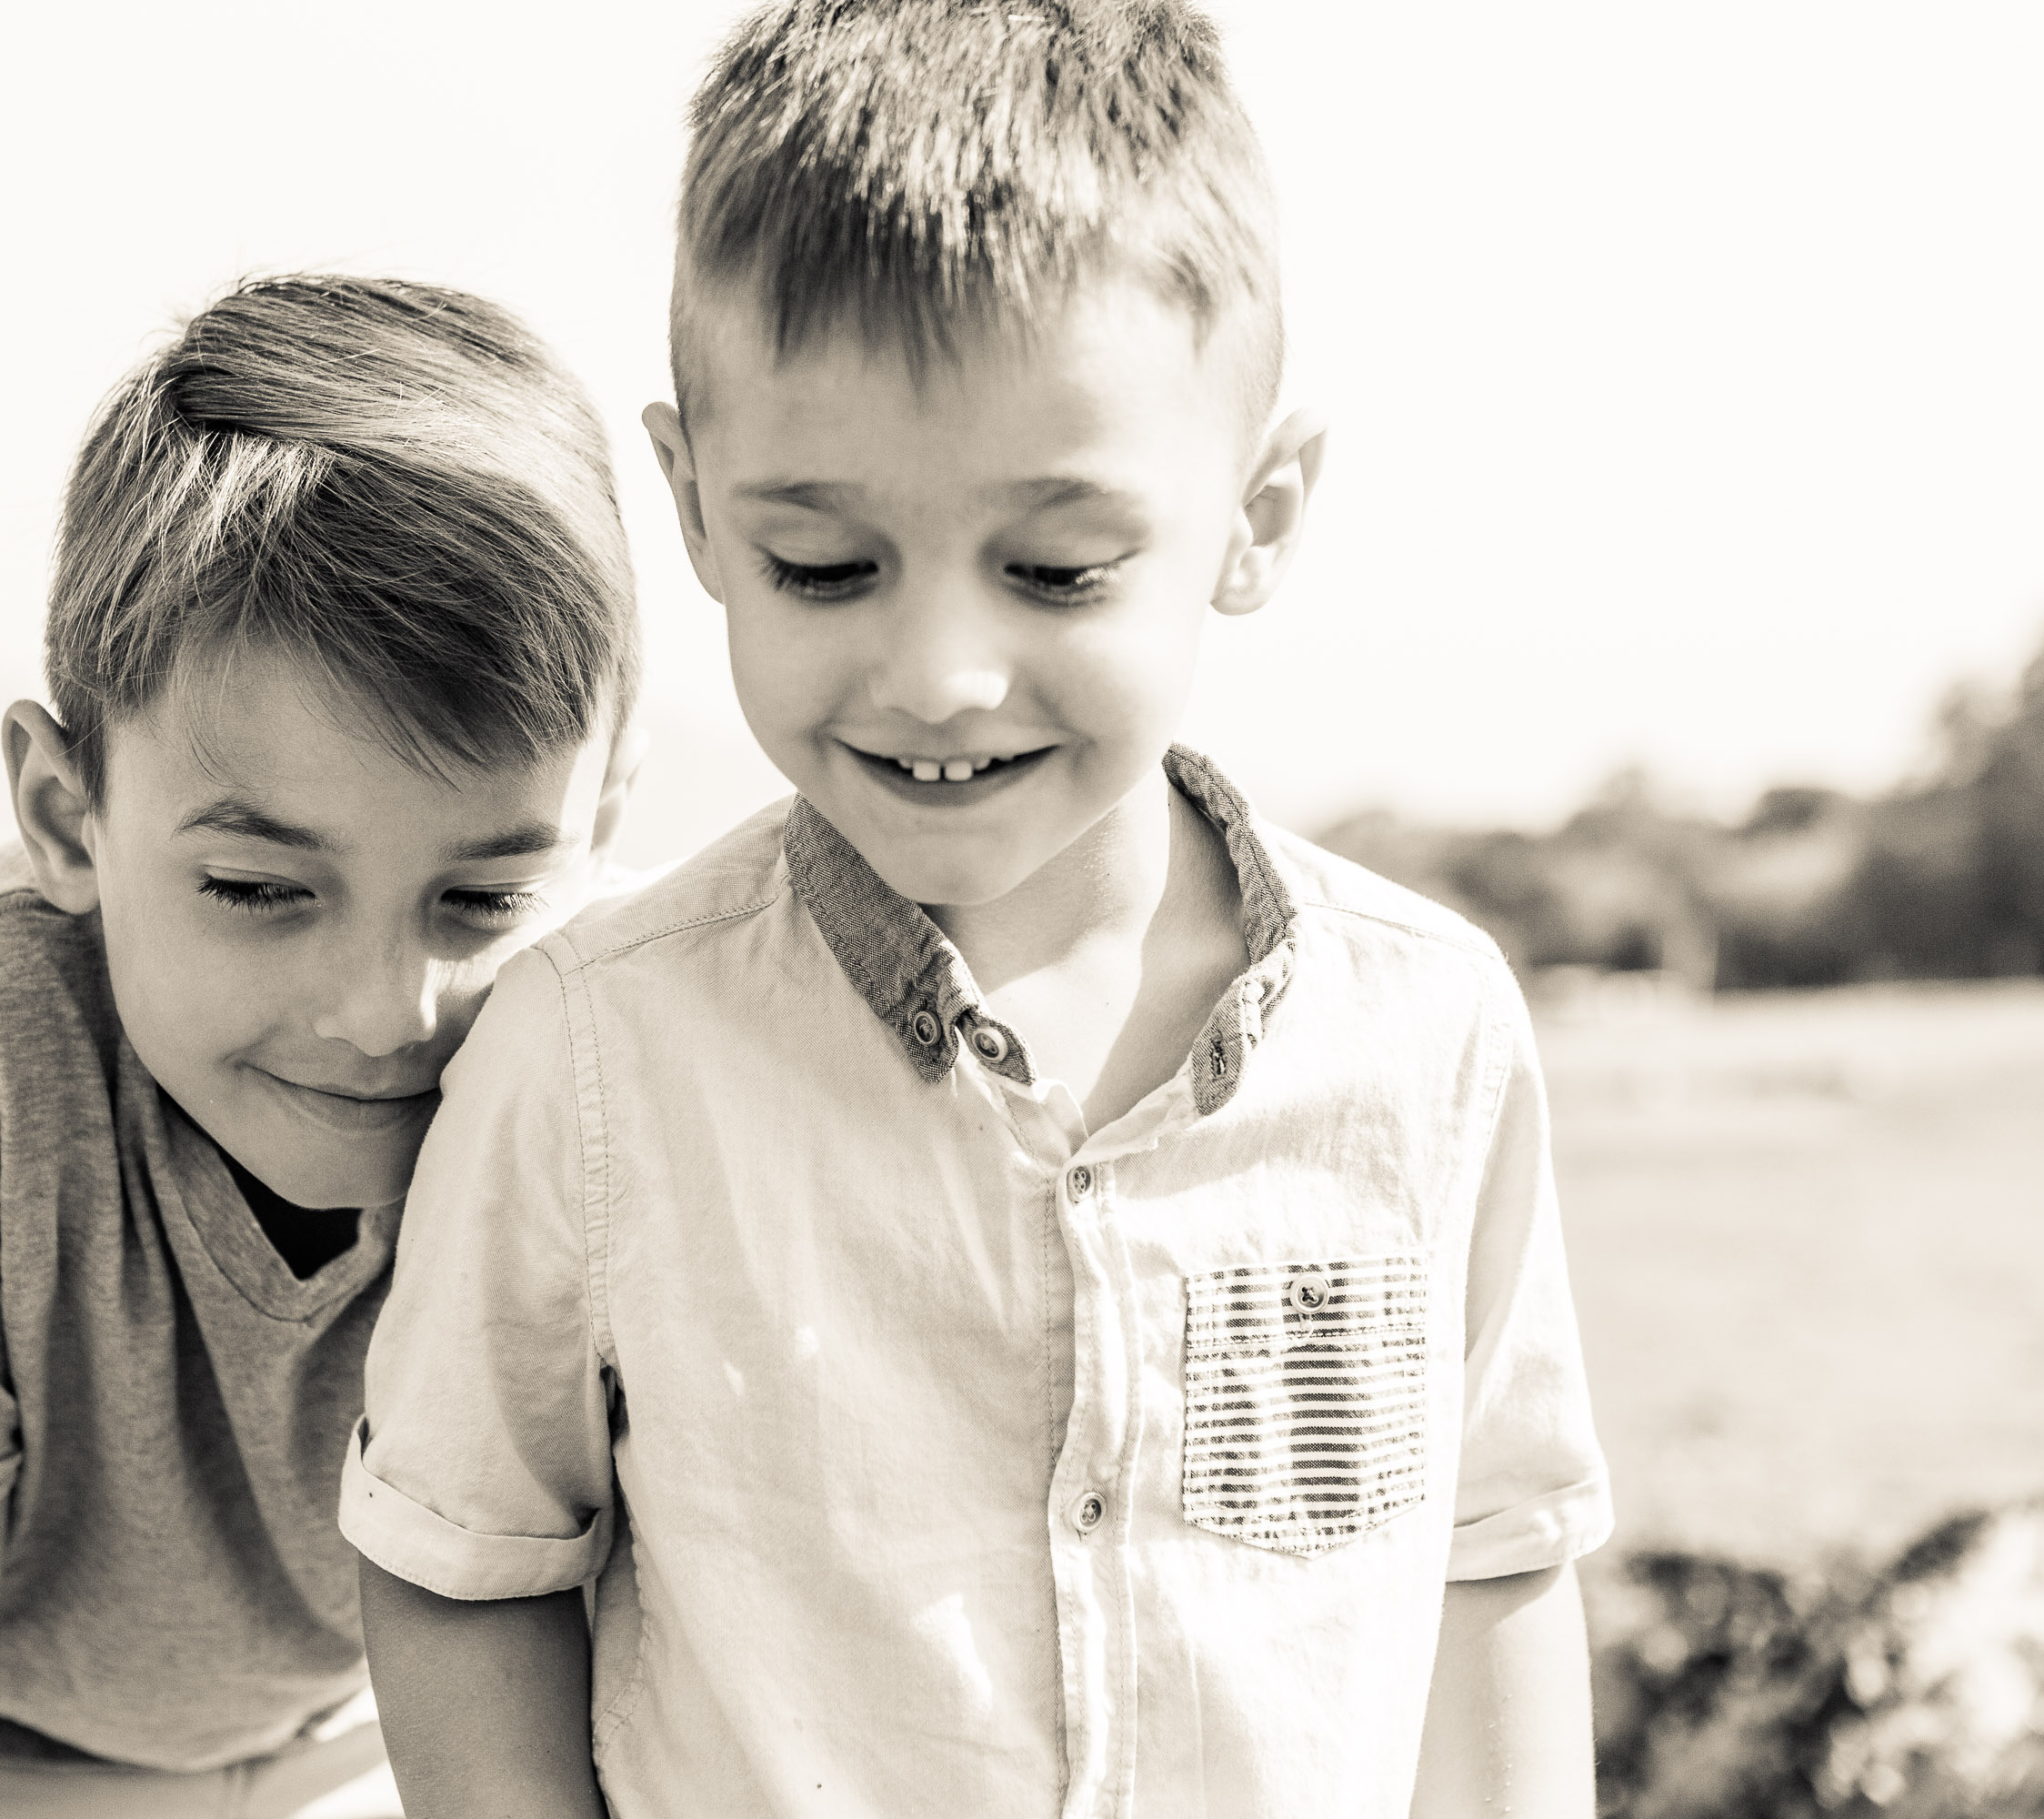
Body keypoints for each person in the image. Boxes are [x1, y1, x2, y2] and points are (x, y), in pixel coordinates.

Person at [342, 4, 1613, 1815]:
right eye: (824, 566)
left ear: (1256, 516)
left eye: (1056, 570)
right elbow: (461, 1557)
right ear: (694, 508)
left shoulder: (1430, 1035)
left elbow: (1492, 1562)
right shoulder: (598, 1055)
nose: (940, 674)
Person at [0, 273, 643, 1819]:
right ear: (67, 814)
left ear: (600, 825)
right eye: (260, 890)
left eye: (482, 899)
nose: (383, 1012)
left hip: (374, 1736)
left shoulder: (630, 1038)